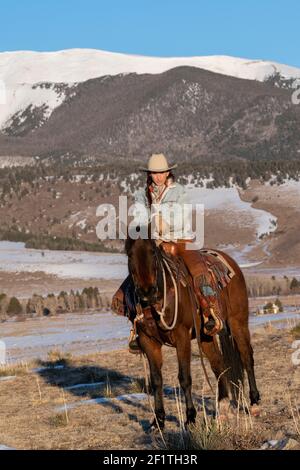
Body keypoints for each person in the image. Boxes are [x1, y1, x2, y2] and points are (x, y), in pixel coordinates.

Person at [111, 153, 224, 353]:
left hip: (181, 240)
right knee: (137, 277)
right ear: (150, 174)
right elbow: (139, 218)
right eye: (154, 173)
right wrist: (146, 229)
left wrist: (164, 224)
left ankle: (209, 313)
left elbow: (182, 216)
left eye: (161, 172)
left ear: (168, 172)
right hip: (156, 244)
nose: (158, 176)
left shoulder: (179, 192)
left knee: (199, 270)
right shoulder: (141, 195)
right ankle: (138, 324)